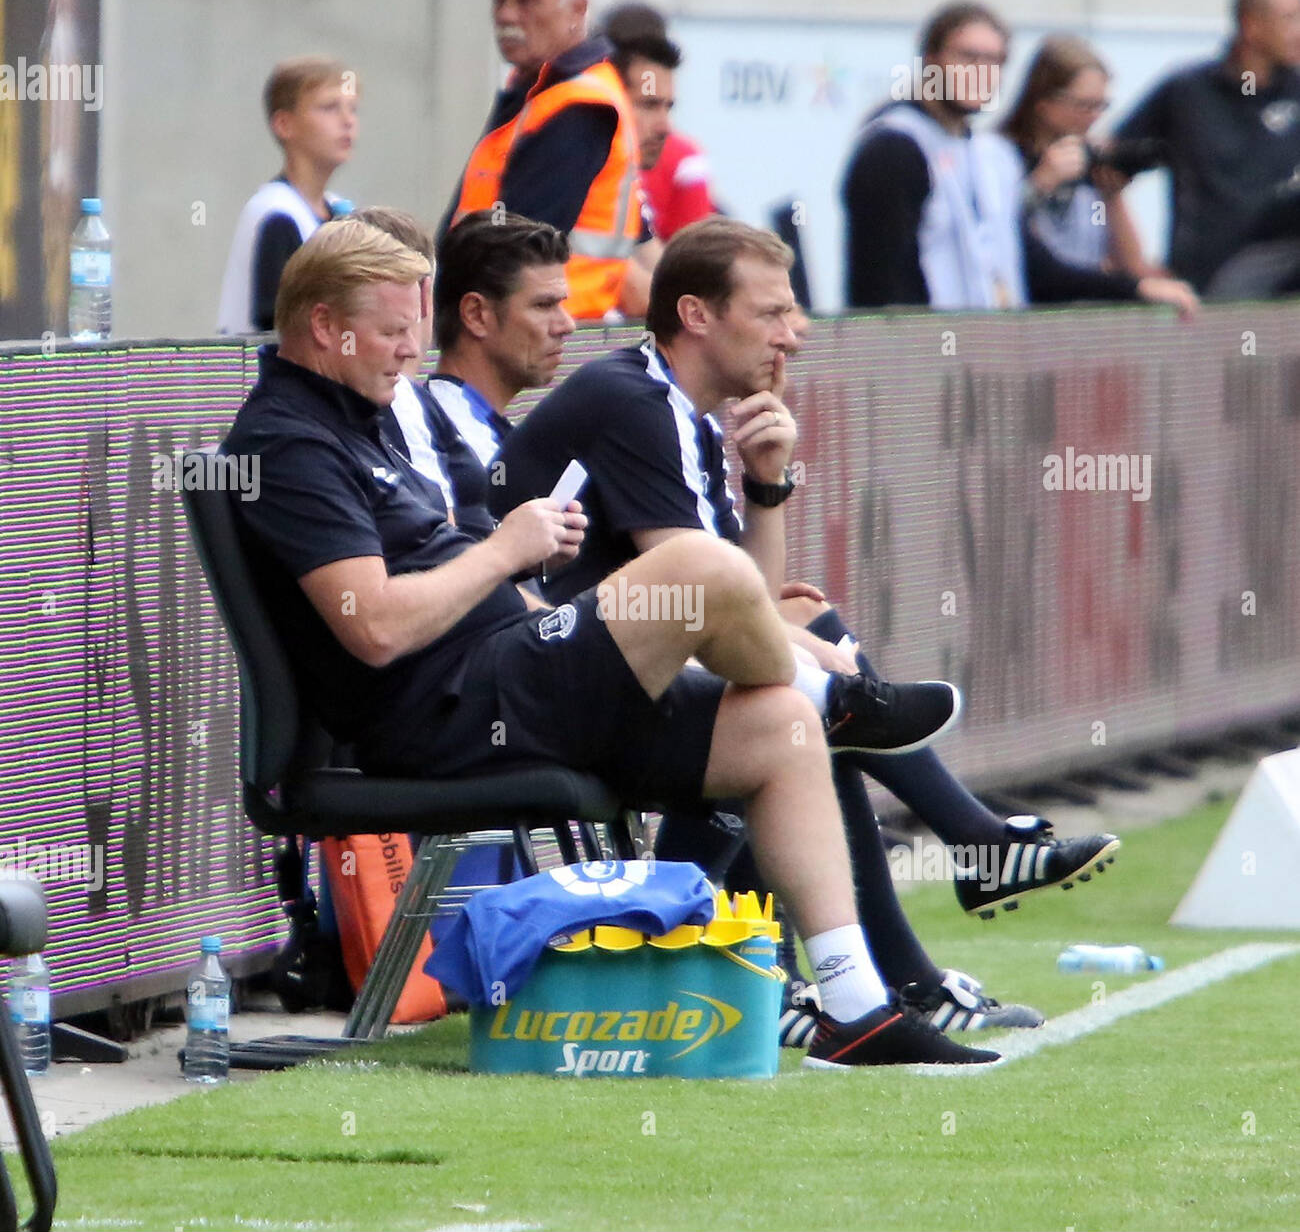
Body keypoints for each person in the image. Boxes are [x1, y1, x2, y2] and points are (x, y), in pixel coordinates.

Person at [220, 217, 996, 1067]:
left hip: (511, 676)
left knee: (780, 726)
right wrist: (504, 551)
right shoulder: (288, 441)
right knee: (696, 567)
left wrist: (516, 573)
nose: (412, 352)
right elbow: (371, 628)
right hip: (452, 712)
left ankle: (857, 1006)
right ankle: (839, 694)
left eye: (415, 328)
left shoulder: (358, 414)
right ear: (328, 329)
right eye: (396, 331)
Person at [492, 217, 1122, 1035]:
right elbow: (712, 596)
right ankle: (926, 866)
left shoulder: (673, 405)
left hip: (605, 668)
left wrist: (767, 484)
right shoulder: (634, 399)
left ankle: (903, 928)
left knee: (801, 658)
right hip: (536, 690)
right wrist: (820, 656)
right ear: (696, 315)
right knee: (802, 699)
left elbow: (737, 595)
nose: (795, 335)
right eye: (773, 313)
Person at [840, 1, 1196, 314]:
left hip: (982, 358)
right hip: (918, 362)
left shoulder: (990, 155)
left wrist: (1133, 288)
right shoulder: (893, 146)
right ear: (931, 61)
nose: (979, 71)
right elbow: (880, 285)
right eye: (967, 57)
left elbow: (1032, 267)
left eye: (993, 60)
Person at [439, 0, 656, 321]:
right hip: (529, 330)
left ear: (578, 9)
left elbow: (515, 248)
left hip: (545, 338)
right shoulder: (540, 90)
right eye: (499, 0)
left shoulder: (579, 105)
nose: (506, 15)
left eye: (526, 1)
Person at [1109, 0, 1300, 294]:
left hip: (1287, 294)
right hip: (1208, 290)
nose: (1298, 31)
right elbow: (1110, 169)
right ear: (1251, 26)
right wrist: (1137, 269)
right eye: (1289, 18)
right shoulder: (1187, 93)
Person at [1001, 36, 1168, 281]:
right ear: (1043, 102)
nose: (1093, 117)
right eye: (1084, 105)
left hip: (1083, 297)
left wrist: (1111, 196)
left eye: (1101, 106)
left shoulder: (1089, 164)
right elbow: (994, 233)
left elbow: (1130, 265)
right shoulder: (1002, 156)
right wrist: (1039, 184)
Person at [217, 56, 358, 334]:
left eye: (353, 109)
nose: (347, 121)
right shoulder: (276, 214)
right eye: (329, 107)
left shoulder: (339, 211)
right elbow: (278, 324)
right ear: (284, 124)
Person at [599, 0, 718, 240]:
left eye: (668, 107)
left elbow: (681, 265)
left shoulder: (684, 159)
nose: (664, 127)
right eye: (648, 105)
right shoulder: (572, 157)